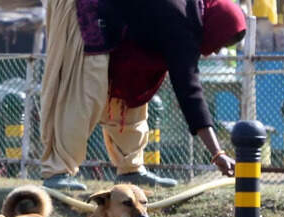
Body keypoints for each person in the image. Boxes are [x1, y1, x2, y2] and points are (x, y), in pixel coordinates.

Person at [40, 0, 247, 191]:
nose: (216, 51)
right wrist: (217, 153)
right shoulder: (181, 21)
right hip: (86, 9)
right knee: (85, 93)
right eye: (221, 43)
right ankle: (58, 171)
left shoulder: (191, 11)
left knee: (130, 92)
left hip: (113, 22)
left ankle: (131, 169)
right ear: (215, 26)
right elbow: (189, 91)